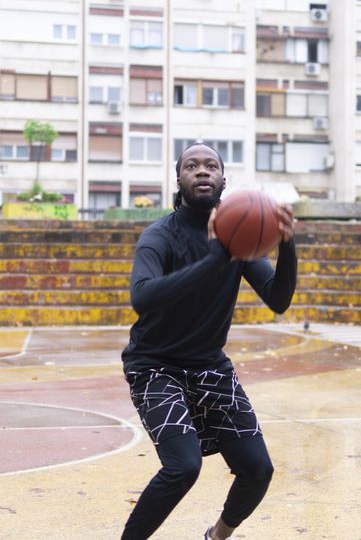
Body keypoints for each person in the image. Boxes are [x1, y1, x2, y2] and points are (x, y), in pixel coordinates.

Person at [121, 142, 297, 540]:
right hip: (155, 365)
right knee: (183, 466)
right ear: (179, 179)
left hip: (209, 365)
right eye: (191, 165)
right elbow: (142, 296)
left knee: (258, 469)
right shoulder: (159, 236)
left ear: (223, 179)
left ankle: (217, 535)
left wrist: (288, 245)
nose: (202, 170)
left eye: (211, 165)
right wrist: (214, 261)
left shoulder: (237, 237)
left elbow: (278, 299)